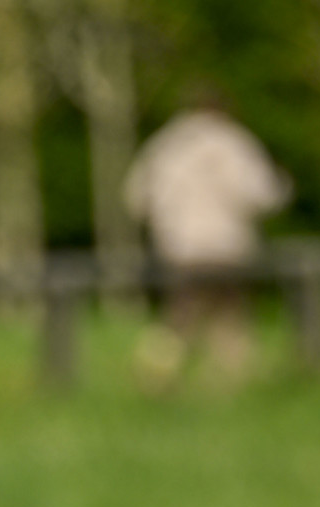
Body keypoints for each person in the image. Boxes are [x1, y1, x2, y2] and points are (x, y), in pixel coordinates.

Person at [124, 101, 292, 380]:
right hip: (226, 247)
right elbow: (261, 193)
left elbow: (136, 197)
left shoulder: (166, 144)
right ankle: (226, 387)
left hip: (179, 249)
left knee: (180, 317)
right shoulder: (233, 141)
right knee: (229, 317)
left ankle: (154, 374)